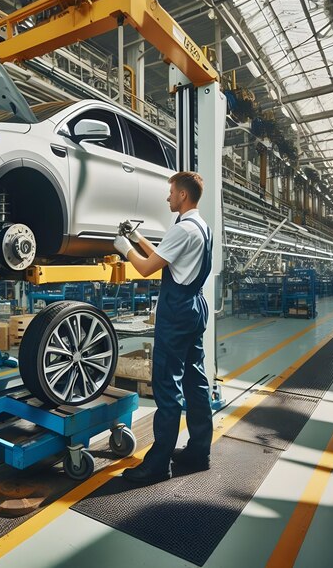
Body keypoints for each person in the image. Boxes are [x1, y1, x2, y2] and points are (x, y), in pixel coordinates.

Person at [113, 171, 213, 485]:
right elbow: (164, 257)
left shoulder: (183, 229)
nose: (167, 197)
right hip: (195, 307)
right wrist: (135, 237)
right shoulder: (200, 226)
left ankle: (157, 465)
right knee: (195, 380)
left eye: (171, 192)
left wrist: (122, 247)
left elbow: (146, 267)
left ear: (183, 195)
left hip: (177, 310)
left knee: (167, 386)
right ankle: (199, 451)